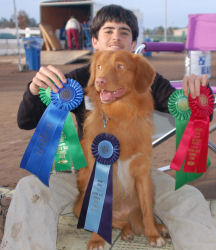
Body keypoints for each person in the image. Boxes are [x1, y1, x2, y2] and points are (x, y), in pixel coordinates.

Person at [1, 4, 216, 250]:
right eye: (108, 31)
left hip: (136, 178)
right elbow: (25, 121)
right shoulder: (76, 80)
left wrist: (198, 94)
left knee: (189, 197)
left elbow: (195, 116)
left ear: (133, 44)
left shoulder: (148, 79)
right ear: (95, 41)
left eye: (124, 32)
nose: (116, 37)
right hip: (82, 178)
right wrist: (34, 89)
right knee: (29, 189)